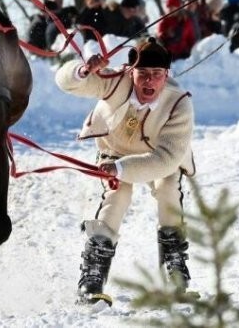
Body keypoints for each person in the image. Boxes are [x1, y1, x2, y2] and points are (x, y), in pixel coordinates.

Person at [55, 37, 195, 304]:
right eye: (142, 74)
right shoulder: (115, 81)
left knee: (168, 191)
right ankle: (92, 277)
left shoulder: (179, 103)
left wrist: (121, 169)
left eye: (157, 75)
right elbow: (65, 82)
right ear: (132, 72)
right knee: (116, 197)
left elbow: (166, 159)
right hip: (113, 153)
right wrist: (83, 71)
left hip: (159, 157)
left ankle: (176, 272)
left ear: (166, 75)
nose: (149, 82)